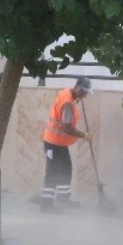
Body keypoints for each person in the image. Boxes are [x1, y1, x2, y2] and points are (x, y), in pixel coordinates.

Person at [40, 77, 93, 212]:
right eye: (83, 92)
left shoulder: (68, 94)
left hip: (59, 143)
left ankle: (63, 200)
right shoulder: (68, 103)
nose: (85, 95)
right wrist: (84, 136)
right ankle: (46, 205)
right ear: (77, 88)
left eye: (86, 93)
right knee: (52, 172)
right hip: (53, 143)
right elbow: (67, 128)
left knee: (65, 170)